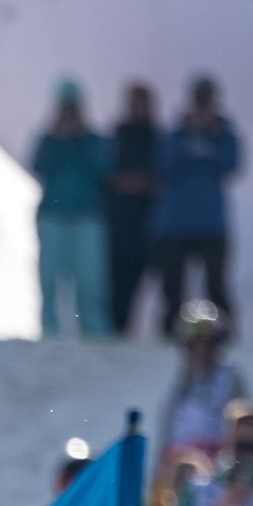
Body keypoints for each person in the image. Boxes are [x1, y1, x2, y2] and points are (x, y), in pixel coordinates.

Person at [153, 75, 244, 337]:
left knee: (216, 286)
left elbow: (231, 165)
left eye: (207, 100)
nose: (203, 106)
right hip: (175, 225)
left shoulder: (225, 135)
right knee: (172, 288)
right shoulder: (175, 134)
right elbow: (163, 164)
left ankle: (223, 339)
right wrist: (189, 133)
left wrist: (212, 135)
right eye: (199, 100)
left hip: (212, 225)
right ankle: (171, 338)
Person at [30, 80, 113, 339]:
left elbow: (104, 169)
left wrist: (79, 138)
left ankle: (94, 335)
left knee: (90, 283)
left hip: (87, 219)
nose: (68, 113)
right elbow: (39, 166)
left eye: (72, 108)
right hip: (53, 219)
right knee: (48, 282)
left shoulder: (94, 140)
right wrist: (58, 137)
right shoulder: (48, 140)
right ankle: (48, 334)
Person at [159, 302, 245, 464]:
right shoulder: (179, 380)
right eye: (195, 344)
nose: (201, 350)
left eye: (207, 343)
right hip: (177, 459)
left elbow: (243, 423)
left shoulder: (230, 377)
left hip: (215, 459)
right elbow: (168, 426)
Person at [107, 82, 161, 337]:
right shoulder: (117, 135)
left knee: (154, 288)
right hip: (120, 223)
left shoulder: (158, 138)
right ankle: (119, 335)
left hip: (149, 224)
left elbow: (164, 175)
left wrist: (140, 184)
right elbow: (105, 174)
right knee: (119, 288)